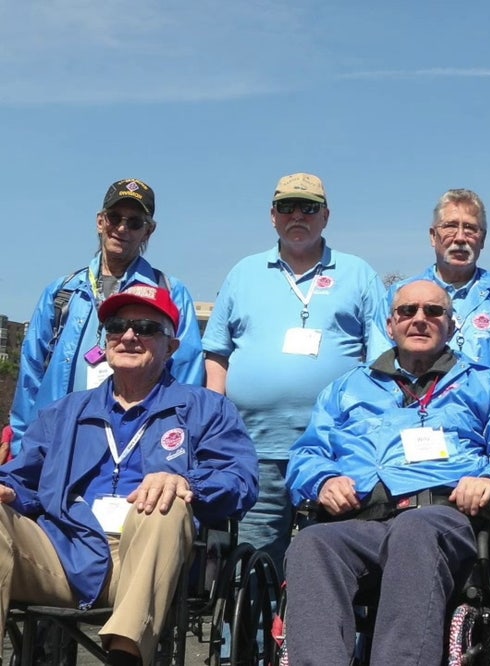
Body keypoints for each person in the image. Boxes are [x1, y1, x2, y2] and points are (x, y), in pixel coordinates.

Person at [283, 280, 490, 666]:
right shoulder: (348, 387)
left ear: (452, 326)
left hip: (444, 516)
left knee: (414, 529)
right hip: (363, 519)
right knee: (311, 544)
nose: (419, 319)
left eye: (433, 311)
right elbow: (307, 452)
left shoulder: (485, 383)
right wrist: (322, 480)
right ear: (390, 325)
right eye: (407, 311)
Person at [0, 284, 258, 666]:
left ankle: (126, 656)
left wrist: (188, 482)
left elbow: (240, 479)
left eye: (146, 328)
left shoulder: (207, 408)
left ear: (171, 346)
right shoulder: (64, 412)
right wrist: (8, 490)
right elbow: (23, 481)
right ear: (106, 342)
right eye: (118, 326)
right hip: (62, 553)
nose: (129, 336)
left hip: (150, 558)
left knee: (163, 502)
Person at [202, 173, 388, 567]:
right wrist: (216, 424)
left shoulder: (358, 274)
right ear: (272, 216)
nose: (297, 215)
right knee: (253, 565)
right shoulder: (243, 273)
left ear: (326, 216)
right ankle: (254, 631)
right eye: (287, 207)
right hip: (256, 449)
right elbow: (216, 354)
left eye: (309, 207)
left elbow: (381, 361)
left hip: (334, 451)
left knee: (332, 563)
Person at [10, 178, 204, 455]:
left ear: (149, 230)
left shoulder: (170, 292)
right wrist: (22, 448)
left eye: (135, 222)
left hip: (136, 447)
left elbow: (187, 376)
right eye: (115, 217)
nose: (122, 228)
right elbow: (31, 372)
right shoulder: (61, 292)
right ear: (100, 221)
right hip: (57, 443)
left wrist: (174, 450)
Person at [390, 189, 490, 398]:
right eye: (450, 226)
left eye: (470, 229)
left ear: (482, 239)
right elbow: (383, 374)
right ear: (433, 236)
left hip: (482, 425)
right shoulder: (400, 296)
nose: (460, 238)